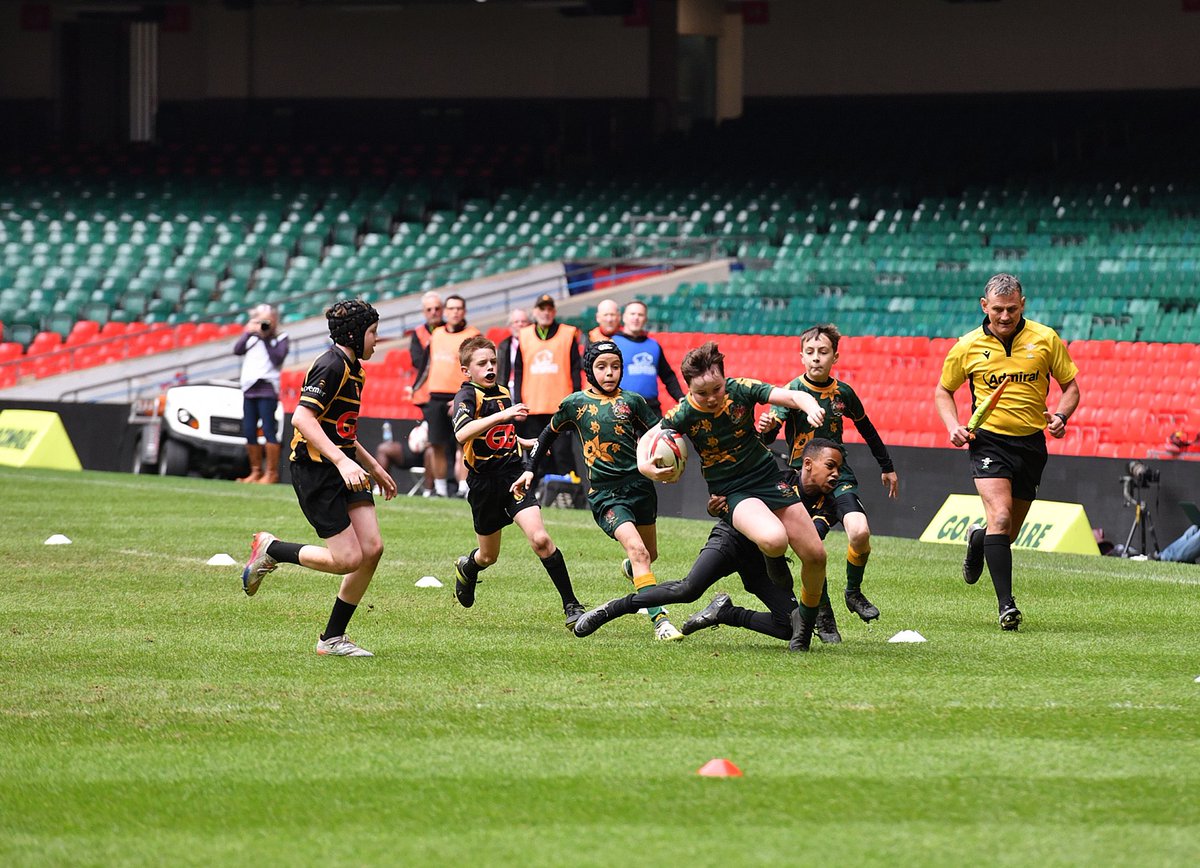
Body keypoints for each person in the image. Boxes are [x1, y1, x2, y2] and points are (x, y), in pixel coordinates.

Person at [616, 341, 830, 651]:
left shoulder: (741, 389)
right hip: (732, 491)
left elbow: (791, 395)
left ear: (724, 379)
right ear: (689, 389)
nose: (712, 397)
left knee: (816, 556)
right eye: (702, 393)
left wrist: (809, 406)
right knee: (773, 539)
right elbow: (650, 436)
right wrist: (645, 467)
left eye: (716, 389)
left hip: (768, 479)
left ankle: (804, 627)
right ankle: (774, 567)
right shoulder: (684, 412)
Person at [573, 439, 845, 647]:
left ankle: (725, 613)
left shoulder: (829, 506)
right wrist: (717, 507)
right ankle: (613, 608)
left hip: (763, 560)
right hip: (731, 540)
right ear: (808, 464)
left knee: (788, 626)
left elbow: (811, 537)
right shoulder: (777, 479)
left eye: (839, 469)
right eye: (830, 466)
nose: (835, 474)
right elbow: (730, 502)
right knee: (688, 589)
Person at [240, 299, 398, 657]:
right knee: (347, 559)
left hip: (343, 465)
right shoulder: (331, 365)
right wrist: (344, 463)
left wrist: (372, 465)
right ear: (356, 335)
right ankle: (272, 549)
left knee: (372, 549)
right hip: (316, 470)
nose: (377, 339)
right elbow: (303, 420)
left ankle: (332, 639)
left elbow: (341, 430)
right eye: (372, 332)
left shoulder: (355, 368)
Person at [934, 272, 1080, 631]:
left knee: (1007, 531)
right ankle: (1006, 606)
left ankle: (978, 539)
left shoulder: (1045, 339)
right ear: (984, 306)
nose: (1004, 316)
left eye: (1011, 309)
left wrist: (1060, 415)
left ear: (1023, 305)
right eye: (997, 309)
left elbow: (1071, 387)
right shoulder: (967, 346)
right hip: (989, 441)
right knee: (1000, 517)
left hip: (1031, 443)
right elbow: (943, 391)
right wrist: (953, 425)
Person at [512, 340, 684, 641]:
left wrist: (665, 461)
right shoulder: (575, 404)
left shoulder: (634, 401)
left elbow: (658, 435)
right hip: (607, 495)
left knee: (648, 555)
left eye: (615, 367)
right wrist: (529, 468)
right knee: (640, 550)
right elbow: (547, 435)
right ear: (589, 370)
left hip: (641, 489)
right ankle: (660, 622)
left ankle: (634, 570)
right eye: (602, 367)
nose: (609, 373)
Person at [758, 324, 898, 630]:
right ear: (801, 356)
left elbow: (867, 429)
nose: (816, 358)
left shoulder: (842, 393)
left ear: (835, 356)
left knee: (859, 532)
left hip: (838, 477)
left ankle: (853, 591)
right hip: (804, 482)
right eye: (810, 352)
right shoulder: (792, 391)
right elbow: (769, 437)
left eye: (823, 352)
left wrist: (886, 466)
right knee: (812, 550)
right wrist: (767, 428)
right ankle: (821, 614)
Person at [450, 336, 586, 629]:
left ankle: (572, 605)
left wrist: (526, 442)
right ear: (466, 371)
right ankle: (468, 567)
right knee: (488, 555)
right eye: (482, 363)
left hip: (513, 476)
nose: (490, 368)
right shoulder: (466, 396)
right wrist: (505, 413)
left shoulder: (501, 392)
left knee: (541, 539)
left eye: (493, 362)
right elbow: (462, 434)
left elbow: (503, 435)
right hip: (484, 484)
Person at [412, 294, 480, 497]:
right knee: (436, 444)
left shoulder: (473, 335)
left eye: (459, 308)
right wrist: (415, 388)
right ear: (445, 311)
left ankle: (463, 488)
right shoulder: (437, 334)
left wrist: (463, 395)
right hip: (436, 397)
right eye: (451, 309)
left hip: (461, 395)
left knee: (463, 443)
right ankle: (440, 489)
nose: (455, 312)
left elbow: (478, 369)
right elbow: (425, 365)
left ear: (464, 311)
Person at [513, 293, 582, 485]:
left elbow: (576, 368)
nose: (546, 313)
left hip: (559, 406)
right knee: (536, 453)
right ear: (535, 312)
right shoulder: (525, 335)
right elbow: (519, 369)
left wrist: (576, 400)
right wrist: (518, 399)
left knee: (561, 452)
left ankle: (565, 492)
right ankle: (534, 490)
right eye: (542, 309)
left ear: (554, 311)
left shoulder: (567, 333)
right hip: (533, 406)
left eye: (549, 309)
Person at [232, 303, 288, 484]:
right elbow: (237, 350)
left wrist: (265, 337)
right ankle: (255, 471)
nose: (264, 324)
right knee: (249, 430)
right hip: (249, 388)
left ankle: (271, 473)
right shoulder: (252, 337)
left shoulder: (281, 337)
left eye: (268, 320)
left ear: (275, 320)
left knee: (268, 430)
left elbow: (277, 358)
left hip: (267, 388)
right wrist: (249, 331)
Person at [612, 299, 684, 417]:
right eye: (632, 314)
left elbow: (668, 376)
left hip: (651, 409)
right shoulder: (613, 343)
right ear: (624, 317)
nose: (636, 318)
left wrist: (680, 397)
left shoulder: (654, 346)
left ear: (645, 319)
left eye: (640, 315)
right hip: (621, 408)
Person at [408, 291, 444, 496]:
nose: (434, 312)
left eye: (437, 308)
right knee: (433, 443)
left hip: (448, 393)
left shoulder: (452, 331)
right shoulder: (418, 333)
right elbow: (415, 360)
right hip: (427, 396)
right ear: (424, 312)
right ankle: (431, 488)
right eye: (429, 309)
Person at [496, 307, 529, 395]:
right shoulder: (504, 345)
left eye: (523, 321)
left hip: (529, 387)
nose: (520, 324)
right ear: (510, 325)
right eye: (516, 322)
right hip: (509, 389)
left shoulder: (535, 343)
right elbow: (500, 373)